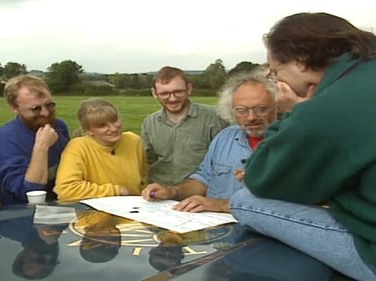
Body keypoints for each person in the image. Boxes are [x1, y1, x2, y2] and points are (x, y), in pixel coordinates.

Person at [228, 12, 376, 280]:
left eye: (275, 73)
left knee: (243, 202)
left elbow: (261, 176)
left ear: (300, 61)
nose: (277, 81)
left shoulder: (327, 108)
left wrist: (294, 112)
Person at [142, 68, 278, 213]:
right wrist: (172, 192)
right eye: (241, 110)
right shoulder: (224, 137)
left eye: (261, 109)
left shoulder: (292, 143)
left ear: (277, 105)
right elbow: (203, 180)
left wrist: (218, 205)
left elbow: (285, 204)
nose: (251, 117)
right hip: (214, 227)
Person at [141, 66, 229, 187]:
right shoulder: (149, 123)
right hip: (160, 196)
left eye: (178, 92)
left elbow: (225, 162)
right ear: (154, 93)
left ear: (189, 89)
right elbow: (147, 163)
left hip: (201, 195)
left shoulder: (214, 118)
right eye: (165, 93)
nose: (172, 98)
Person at [0, 74, 70, 205]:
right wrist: (42, 147)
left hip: (59, 207)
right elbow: (28, 193)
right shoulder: (5, 139)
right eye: (36, 109)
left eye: (49, 105)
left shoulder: (59, 126)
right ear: (15, 108)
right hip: (22, 215)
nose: (45, 113)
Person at [55, 98, 147, 201]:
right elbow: (65, 190)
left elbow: (144, 178)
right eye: (102, 126)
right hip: (94, 211)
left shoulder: (134, 141)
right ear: (89, 130)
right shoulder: (78, 147)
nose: (113, 128)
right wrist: (115, 191)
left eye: (114, 120)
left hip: (135, 208)